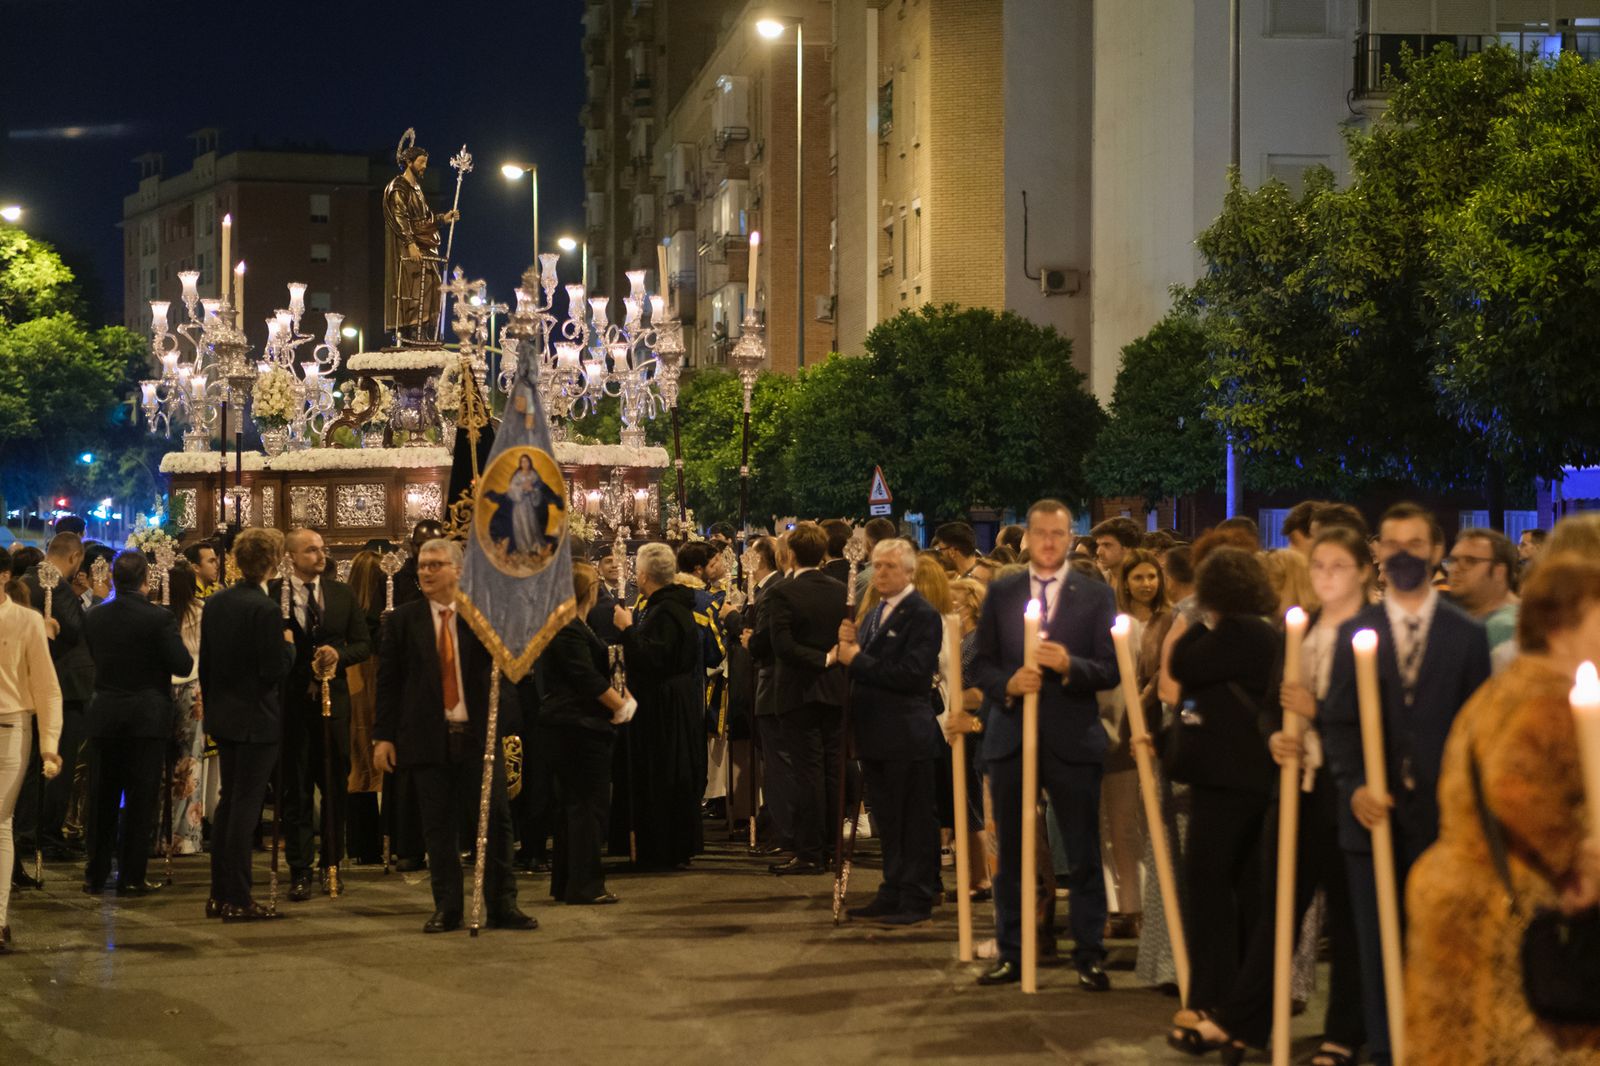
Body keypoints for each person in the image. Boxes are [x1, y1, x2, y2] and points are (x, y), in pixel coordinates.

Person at [1179, 527, 1372, 1063]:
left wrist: (1318, 713)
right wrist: (1274, 733)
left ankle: (1342, 1034)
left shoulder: (1373, 631)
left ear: (1361, 572)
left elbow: (1382, 717)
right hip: (1298, 792)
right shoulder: (1299, 629)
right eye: (1320, 567)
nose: (1326, 576)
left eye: (1339, 566)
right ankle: (1240, 1022)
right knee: (1275, 914)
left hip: (1349, 792)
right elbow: (1271, 702)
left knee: (1353, 920)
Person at [1406, 553, 1600, 1063]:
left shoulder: (1507, 687)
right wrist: (1574, 863)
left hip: (1458, 892)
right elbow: (1514, 785)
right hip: (1509, 907)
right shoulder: (1552, 696)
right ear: (1565, 622)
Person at [1321, 502, 1492, 1066]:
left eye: (1414, 545)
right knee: (1375, 939)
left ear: (1435, 551)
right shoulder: (1356, 631)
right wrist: (1354, 785)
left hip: (1442, 818)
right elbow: (1340, 721)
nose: (1402, 555)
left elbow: (1475, 728)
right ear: (1378, 554)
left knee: (1439, 939)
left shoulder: (1466, 636)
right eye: (1391, 545)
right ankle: (1386, 1045)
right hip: (1371, 811)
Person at [970, 499, 1119, 989]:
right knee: (1011, 854)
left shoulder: (1094, 595)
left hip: (1071, 738)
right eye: (1041, 533)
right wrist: (1008, 684)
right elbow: (982, 663)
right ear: (1028, 537)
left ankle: (1089, 953)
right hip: (1012, 734)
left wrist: (1069, 666)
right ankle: (1013, 950)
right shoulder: (1004, 590)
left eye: (1059, 534)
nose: (1050, 542)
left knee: (1081, 851)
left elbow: (1110, 667)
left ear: (1071, 538)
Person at [372, 538, 535, 933]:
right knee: (438, 827)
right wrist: (383, 737)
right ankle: (447, 907)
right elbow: (389, 683)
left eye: (435, 565)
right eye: (422, 565)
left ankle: (502, 904)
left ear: (458, 571)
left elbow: (514, 669)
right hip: (428, 736)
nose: (425, 571)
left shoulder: (483, 616)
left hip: (478, 735)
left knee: (494, 822)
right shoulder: (403, 621)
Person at [1163, 547, 1281, 1054]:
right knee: (1247, 885)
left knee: (1207, 882)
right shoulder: (1265, 632)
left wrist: (1197, 619)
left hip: (1226, 778)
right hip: (1253, 776)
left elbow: (1182, 662)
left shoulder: (1236, 634)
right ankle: (1241, 1006)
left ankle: (1212, 993)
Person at [835, 537, 944, 925]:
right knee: (888, 820)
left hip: (906, 733)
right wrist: (847, 650)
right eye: (877, 566)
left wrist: (858, 659)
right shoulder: (876, 612)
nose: (880, 573)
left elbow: (912, 676)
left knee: (911, 819)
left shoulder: (922, 615)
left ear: (910, 572)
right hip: (875, 732)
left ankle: (917, 896)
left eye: (889, 567)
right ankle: (893, 887)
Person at [81, 550, 193, 896]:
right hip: (146, 716)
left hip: (107, 713)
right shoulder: (158, 618)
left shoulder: (95, 617)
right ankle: (132, 876)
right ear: (147, 579)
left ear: (113, 578)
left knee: (102, 796)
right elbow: (183, 664)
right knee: (140, 798)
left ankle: (95, 874)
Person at [269, 529, 372, 901]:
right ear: (292, 556)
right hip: (293, 705)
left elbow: (363, 643)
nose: (320, 555)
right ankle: (299, 870)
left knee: (334, 787)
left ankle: (332, 864)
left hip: (334, 705)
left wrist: (337, 656)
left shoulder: (341, 595)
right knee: (295, 788)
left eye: (322, 549)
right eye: (311, 550)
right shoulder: (274, 594)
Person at [201, 528, 296, 921]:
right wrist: (289, 646)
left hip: (224, 714)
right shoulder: (266, 609)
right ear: (273, 563)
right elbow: (273, 668)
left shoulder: (217, 603)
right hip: (257, 717)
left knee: (229, 804)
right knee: (245, 808)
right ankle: (238, 898)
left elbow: (206, 663)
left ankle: (219, 894)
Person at [536, 562, 629, 905]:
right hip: (577, 727)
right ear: (590, 590)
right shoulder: (569, 629)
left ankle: (567, 882)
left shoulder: (572, 626)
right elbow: (586, 679)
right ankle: (586, 884)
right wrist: (621, 705)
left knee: (573, 807)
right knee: (587, 808)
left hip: (571, 726)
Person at [611, 542, 707, 869]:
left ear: (642, 574)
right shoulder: (665, 605)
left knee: (665, 772)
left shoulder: (666, 610)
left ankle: (664, 848)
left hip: (664, 704)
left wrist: (626, 630)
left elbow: (654, 657)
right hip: (667, 700)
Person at [761, 522, 848, 876]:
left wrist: (821, 659)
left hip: (799, 690)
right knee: (831, 770)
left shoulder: (783, 592)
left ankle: (811, 851)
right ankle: (831, 847)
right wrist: (831, 659)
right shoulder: (840, 589)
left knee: (808, 772)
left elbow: (782, 645)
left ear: (792, 554)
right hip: (835, 689)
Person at [16, 532, 92, 875]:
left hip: (32, 688)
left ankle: (30, 832)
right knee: (54, 766)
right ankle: (45, 836)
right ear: (75, 557)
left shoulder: (24, 581)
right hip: (61, 688)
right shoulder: (51, 585)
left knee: (32, 767)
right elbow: (75, 629)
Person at [0, 579, 63, 952]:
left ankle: (0, 918)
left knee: (1, 821)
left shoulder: (26, 621)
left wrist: (49, 745)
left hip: (12, 726)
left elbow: (46, 685)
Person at [744, 536, 794, 857]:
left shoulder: (776, 592)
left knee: (780, 767)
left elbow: (765, 643)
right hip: (781, 687)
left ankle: (783, 832)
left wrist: (742, 630)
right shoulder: (773, 589)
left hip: (776, 686)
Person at [382, 142, 460, 343]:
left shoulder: (416, 189)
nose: (425, 166)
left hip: (423, 245)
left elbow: (424, 218)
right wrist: (410, 243)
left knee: (433, 284)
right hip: (408, 249)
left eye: (426, 162)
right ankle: (410, 331)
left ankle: (424, 329)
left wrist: (443, 219)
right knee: (414, 288)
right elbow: (400, 216)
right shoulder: (398, 187)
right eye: (421, 162)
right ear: (409, 162)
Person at [344, 550, 385, 865]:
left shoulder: (346, 611)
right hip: (373, 679)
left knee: (357, 760)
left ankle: (360, 846)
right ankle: (384, 842)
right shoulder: (383, 618)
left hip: (352, 682)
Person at [165, 564, 207, 856]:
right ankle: (186, 838)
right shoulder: (202, 611)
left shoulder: (160, 612)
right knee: (189, 763)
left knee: (160, 765)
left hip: (162, 686)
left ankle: (158, 834)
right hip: (193, 689)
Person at [1445, 527, 1520, 656]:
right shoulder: (1469, 620)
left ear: (1499, 572)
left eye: (1470, 561)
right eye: (1453, 560)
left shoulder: (1506, 628)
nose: (1455, 569)